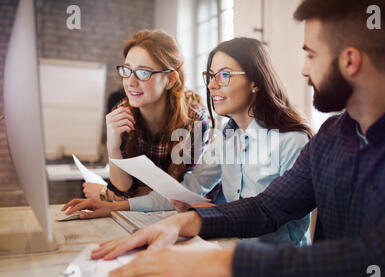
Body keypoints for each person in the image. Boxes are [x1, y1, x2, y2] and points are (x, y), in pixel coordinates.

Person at [72, 0, 385, 277]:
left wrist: (227, 263)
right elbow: (270, 206)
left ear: (350, 60)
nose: (302, 70)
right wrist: (185, 221)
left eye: (310, 54)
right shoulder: (335, 134)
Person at [63, 37, 314, 247]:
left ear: (256, 82)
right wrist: (116, 206)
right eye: (211, 75)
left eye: (224, 75)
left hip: (280, 268)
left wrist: (195, 219)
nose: (212, 85)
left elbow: (268, 213)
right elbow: (185, 191)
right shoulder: (228, 137)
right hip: (231, 254)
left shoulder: (292, 142)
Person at [80, 30, 211, 202]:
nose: (130, 82)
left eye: (143, 73)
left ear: (170, 79)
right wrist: (113, 147)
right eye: (127, 70)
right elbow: (123, 189)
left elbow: (179, 196)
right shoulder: (121, 112)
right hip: (139, 215)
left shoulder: (195, 121)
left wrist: (107, 193)